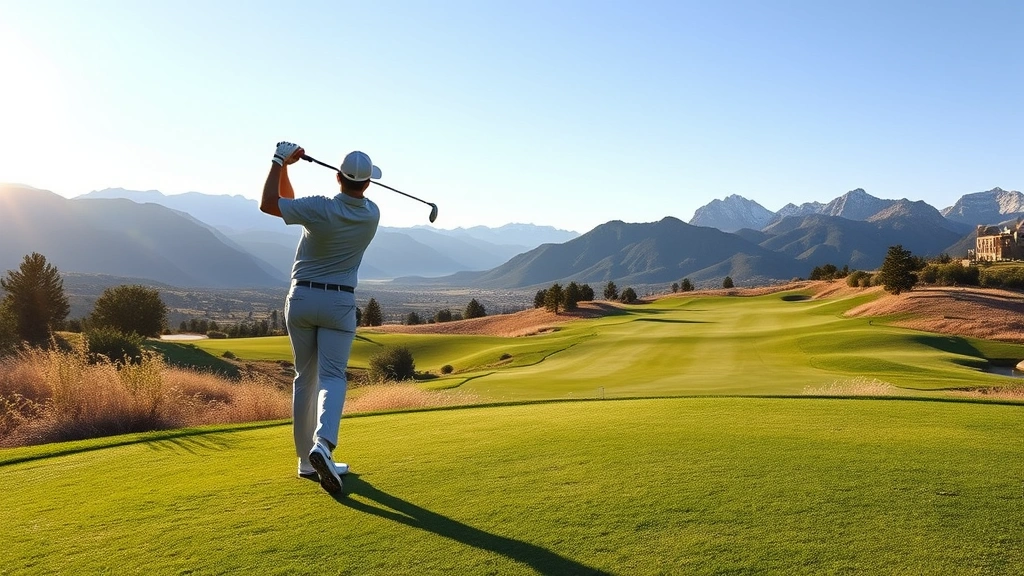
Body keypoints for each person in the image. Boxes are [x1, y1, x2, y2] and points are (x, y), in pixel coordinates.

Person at [259, 141, 381, 494]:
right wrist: (285, 167)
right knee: (332, 376)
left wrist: (280, 161)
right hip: (339, 302)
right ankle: (323, 446)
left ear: (338, 177)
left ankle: (305, 461)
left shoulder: (318, 208)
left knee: (304, 379)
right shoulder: (371, 214)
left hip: (302, 298)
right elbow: (287, 203)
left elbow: (271, 204)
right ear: (367, 183)